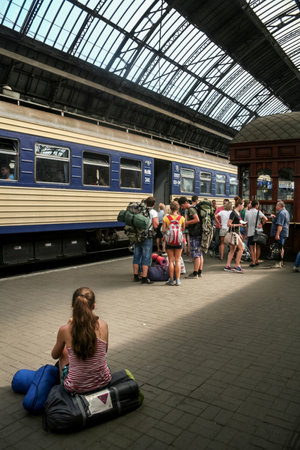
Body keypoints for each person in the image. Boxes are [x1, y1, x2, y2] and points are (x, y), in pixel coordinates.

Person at [51, 287, 112, 393]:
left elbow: (55, 355)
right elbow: (104, 350)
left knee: (64, 352)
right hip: (104, 382)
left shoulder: (65, 330)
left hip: (76, 388)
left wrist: (68, 326)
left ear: (73, 305)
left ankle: (63, 390)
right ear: (94, 306)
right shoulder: (103, 325)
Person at [132, 196, 159, 284]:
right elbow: (155, 225)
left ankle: (136, 276)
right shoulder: (153, 212)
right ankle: (144, 277)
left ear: (145, 203)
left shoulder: (139, 210)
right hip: (147, 236)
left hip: (137, 236)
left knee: (136, 256)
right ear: (154, 204)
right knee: (146, 257)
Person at [178, 196, 203, 278]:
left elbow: (197, 219)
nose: (182, 207)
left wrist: (186, 223)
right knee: (199, 253)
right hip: (198, 232)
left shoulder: (191, 209)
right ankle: (199, 272)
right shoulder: (192, 208)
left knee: (196, 254)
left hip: (195, 233)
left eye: (182, 205)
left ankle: (195, 273)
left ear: (185, 203)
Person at [162, 201, 185, 286]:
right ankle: (178, 280)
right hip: (179, 242)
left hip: (169, 242)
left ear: (170, 208)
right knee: (177, 260)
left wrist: (169, 232)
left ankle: (171, 279)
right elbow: (183, 229)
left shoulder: (166, 218)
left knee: (171, 261)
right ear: (178, 208)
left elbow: (163, 230)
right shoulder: (181, 218)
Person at [224, 198, 245, 273]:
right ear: (239, 205)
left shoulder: (237, 213)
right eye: (242, 205)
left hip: (236, 233)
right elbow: (229, 224)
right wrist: (239, 224)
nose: (243, 207)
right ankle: (237, 266)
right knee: (241, 248)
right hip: (233, 233)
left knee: (233, 249)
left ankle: (228, 265)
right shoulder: (233, 213)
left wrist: (239, 233)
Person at [245, 200, 267, 266]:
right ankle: (257, 260)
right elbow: (265, 218)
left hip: (250, 232)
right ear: (257, 205)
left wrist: (247, 232)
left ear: (251, 205)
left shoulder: (247, 213)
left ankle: (253, 261)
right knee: (258, 247)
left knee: (251, 247)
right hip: (258, 231)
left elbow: (246, 224)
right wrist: (261, 224)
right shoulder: (259, 212)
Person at [270, 200, 290, 268]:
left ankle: (278, 263)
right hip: (284, 232)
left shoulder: (281, 213)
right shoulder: (286, 212)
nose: (275, 207)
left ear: (279, 206)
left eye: (276, 205)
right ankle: (281, 262)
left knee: (278, 248)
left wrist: (277, 234)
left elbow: (280, 225)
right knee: (281, 247)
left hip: (280, 233)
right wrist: (275, 217)